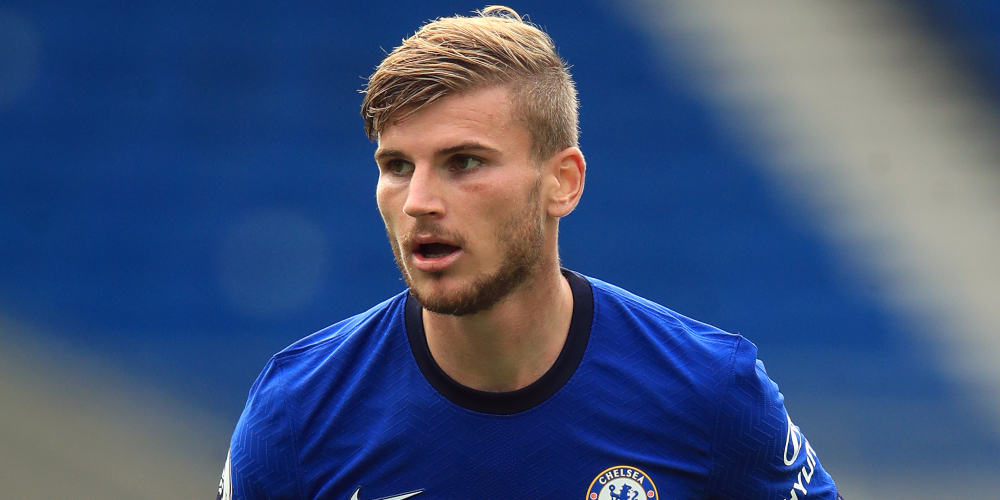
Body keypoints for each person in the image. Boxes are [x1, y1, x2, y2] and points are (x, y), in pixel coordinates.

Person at [219, 6, 840, 499]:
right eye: (397, 166)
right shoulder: (297, 412)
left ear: (562, 182)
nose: (419, 202)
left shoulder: (711, 391)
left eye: (464, 162)